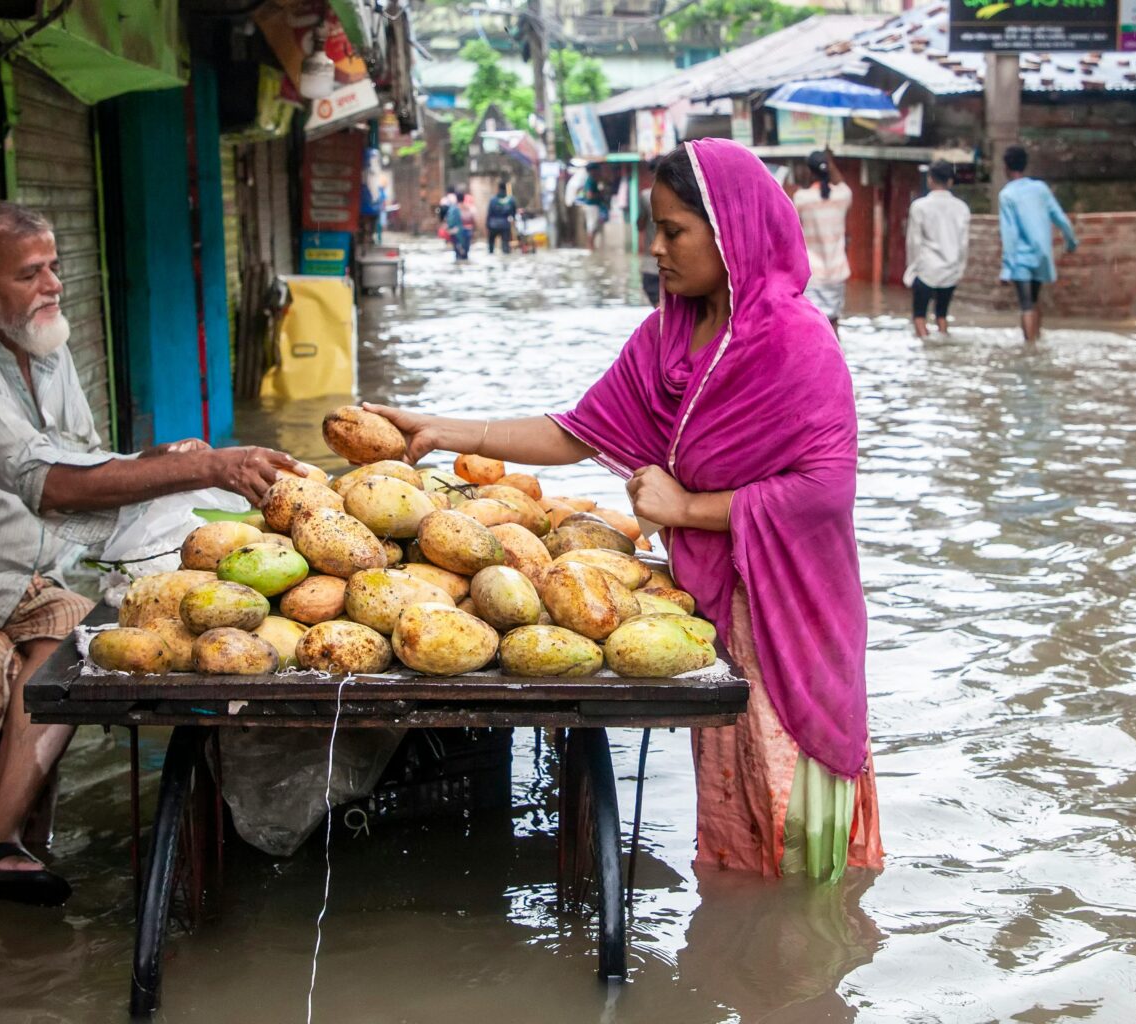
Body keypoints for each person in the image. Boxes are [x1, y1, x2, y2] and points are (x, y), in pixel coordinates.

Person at [365, 140, 884, 881]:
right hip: (718, 614)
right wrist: (445, 429)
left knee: (792, 808)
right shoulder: (667, 337)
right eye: (654, 228)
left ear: (729, 230)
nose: (656, 247)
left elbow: (824, 491)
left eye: (674, 231)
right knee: (733, 813)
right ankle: (743, 952)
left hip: (795, 609)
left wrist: (688, 507)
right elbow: (576, 431)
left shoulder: (800, 342)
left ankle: (806, 973)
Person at [0, 201, 305, 906]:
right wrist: (206, 470)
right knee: (40, 706)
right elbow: (50, 486)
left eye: (55, 265)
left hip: (14, 578)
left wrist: (162, 457)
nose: (54, 283)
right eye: (31, 272)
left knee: (84, 656)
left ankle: (22, 838)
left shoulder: (44, 354)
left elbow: (85, 461)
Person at [998, 145, 1078, 344]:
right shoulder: (1040, 189)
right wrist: (1071, 242)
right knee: (1035, 300)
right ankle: (1038, 339)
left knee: (1026, 304)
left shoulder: (1007, 195)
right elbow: (1060, 218)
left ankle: (1029, 348)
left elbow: (1010, 234)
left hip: (1021, 259)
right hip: (1042, 255)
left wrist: (1007, 268)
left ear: (1006, 168)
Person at [905, 159, 971, 339]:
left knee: (919, 315)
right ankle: (942, 341)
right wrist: (960, 269)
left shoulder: (919, 206)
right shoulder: (962, 208)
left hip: (926, 268)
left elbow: (914, 242)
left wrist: (912, 270)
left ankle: (926, 347)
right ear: (950, 181)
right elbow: (964, 243)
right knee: (942, 315)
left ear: (930, 180)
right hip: (951, 270)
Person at [792, 150, 853, 334]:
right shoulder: (843, 195)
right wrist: (830, 160)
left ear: (810, 171)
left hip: (813, 275)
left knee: (814, 329)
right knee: (834, 327)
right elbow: (840, 182)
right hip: (837, 273)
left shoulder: (802, 198)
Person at [638, 157, 662, 305]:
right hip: (668, 265)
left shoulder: (647, 196)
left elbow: (640, 224)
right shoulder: (681, 197)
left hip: (651, 263)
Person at [585, 167, 613, 251]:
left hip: (594, 206)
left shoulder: (594, 180)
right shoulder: (590, 180)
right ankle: (590, 246)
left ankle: (591, 246)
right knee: (592, 226)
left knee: (593, 226)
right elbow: (589, 195)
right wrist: (599, 194)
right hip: (592, 206)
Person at [486, 182, 518, 255]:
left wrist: (487, 224)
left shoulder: (493, 200)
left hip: (493, 225)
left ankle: (491, 256)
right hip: (505, 225)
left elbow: (489, 213)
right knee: (505, 245)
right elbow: (513, 213)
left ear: (498, 188)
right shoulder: (511, 200)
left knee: (491, 244)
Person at [444, 187, 473, 261]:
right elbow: (473, 219)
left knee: (458, 253)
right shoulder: (468, 208)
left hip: (456, 232)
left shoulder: (453, 209)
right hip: (468, 231)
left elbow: (450, 220)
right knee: (466, 253)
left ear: (456, 198)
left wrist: (448, 229)